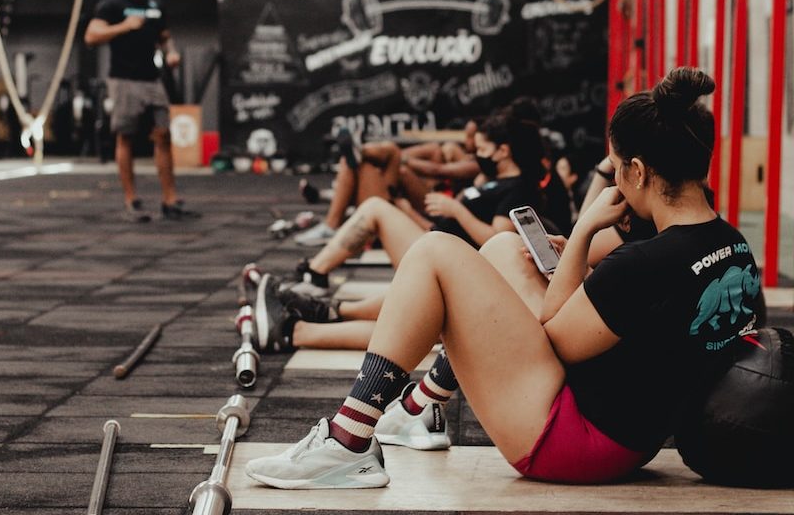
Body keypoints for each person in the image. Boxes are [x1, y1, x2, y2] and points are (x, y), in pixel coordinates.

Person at [245, 68, 764, 489]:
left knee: (433, 254)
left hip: (574, 443)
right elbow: (653, 321)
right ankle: (417, 407)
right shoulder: (733, 246)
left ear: (637, 170)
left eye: (612, 169)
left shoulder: (643, 262)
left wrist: (582, 232)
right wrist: (581, 263)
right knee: (501, 250)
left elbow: (556, 334)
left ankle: (348, 441)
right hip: (633, 433)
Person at [281, 111, 551, 300]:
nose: (477, 155)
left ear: (503, 151)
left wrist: (456, 209)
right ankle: (319, 266)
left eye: (481, 150)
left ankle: (317, 272)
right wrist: (409, 213)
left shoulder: (519, 188)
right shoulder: (489, 179)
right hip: (433, 241)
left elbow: (497, 240)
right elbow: (443, 225)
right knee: (373, 182)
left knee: (375, 206)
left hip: (445, 263)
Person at [84, 0, 199, 222]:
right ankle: (131, 200)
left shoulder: (155, 6)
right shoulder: (112, 5)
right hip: (124, 80)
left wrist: (170, 54)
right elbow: (91, 36)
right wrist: (124, 26)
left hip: (152, 79)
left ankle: (170, 200)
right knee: (126, 137)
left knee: (163, 135)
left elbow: (165, 38)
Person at [294, 120, 480, 247]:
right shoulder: (480, 168)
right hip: (422, 206)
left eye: (472, 137)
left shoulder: (478, 165)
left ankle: (331, 224)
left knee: (371, 159)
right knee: (373, 160)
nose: (466, 140)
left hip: (421, 217)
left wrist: (400, 160)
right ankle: (361, 153)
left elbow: (439, 172)